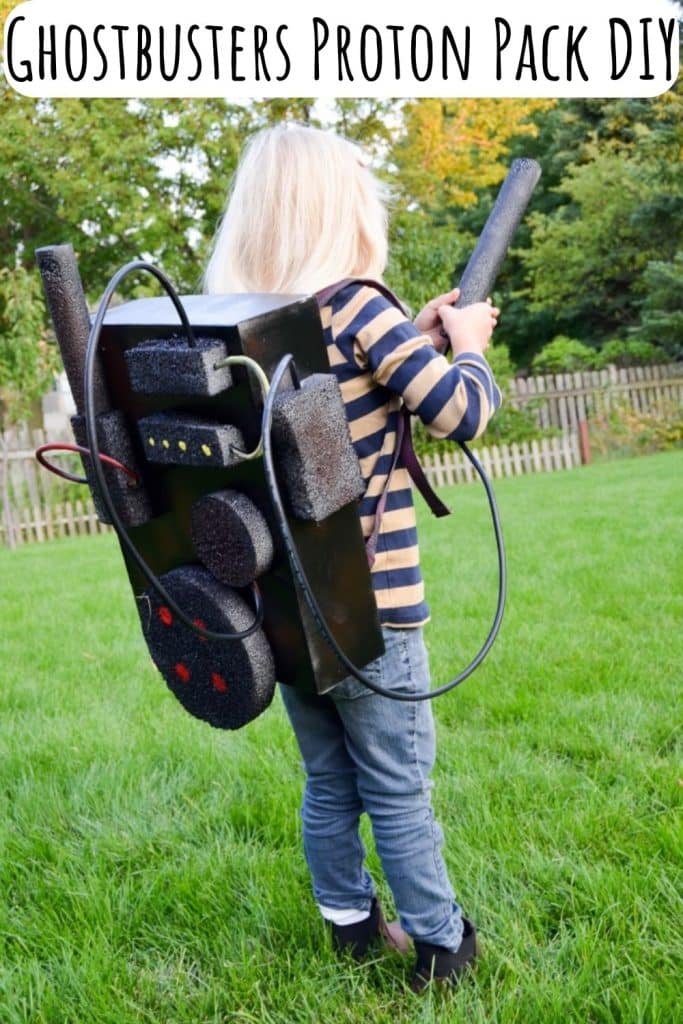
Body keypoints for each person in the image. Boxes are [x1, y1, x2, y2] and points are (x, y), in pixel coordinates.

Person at [205, 124, 501, 991]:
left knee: (329, 780)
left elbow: (343, 399)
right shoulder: (358, 305)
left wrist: (414, 331)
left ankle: (349, 926)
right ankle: (442, 944)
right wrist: (469, 340)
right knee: (399, 786)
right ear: (345, 209)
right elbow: (460, 411)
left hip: (292, 614)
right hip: (377, 614)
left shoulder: (254, 331)